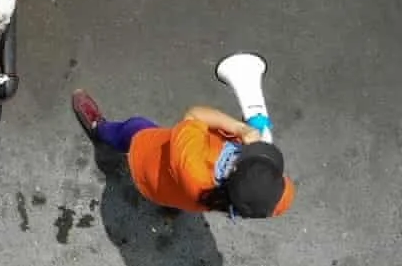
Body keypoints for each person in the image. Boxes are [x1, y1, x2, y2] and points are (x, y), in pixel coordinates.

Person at [70, 91, 297, 218]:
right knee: (176, 196)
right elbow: (280, 192)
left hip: (149, 160)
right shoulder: (256, 200)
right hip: (178, 192)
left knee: (134, 128)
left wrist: (241, 129)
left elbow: (194, 115)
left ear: (235, 167)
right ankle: (170, 206)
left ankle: (99, 128)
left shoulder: (191, 164)